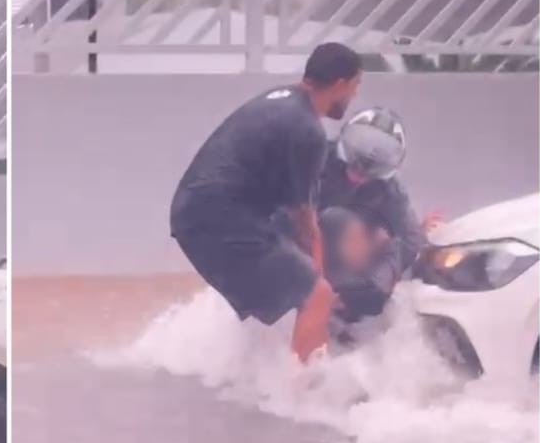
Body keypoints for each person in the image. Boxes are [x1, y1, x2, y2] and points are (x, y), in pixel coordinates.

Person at [170, 42, 363, 361]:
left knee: (291, 294)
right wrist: (319, 275)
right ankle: (302, 394)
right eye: (355, 87)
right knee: (317, 295)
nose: (354, 96)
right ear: (341, 84)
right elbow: (305, 221)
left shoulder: (281, 100)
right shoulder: (308, 130)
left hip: (193, 213)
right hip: (220, 216)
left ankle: (254, 374)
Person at [315, 107, 433, 322]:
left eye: (372, 166)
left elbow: (410, 241)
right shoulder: (312, 160)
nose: (361, 169)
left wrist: (374, 285)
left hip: (345, 269)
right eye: (357, 158)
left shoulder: (389, 191)